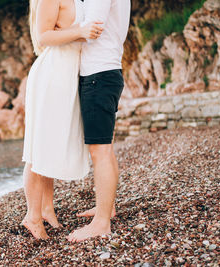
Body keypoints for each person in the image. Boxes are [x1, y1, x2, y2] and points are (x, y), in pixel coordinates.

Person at [21, 0, 104, 239]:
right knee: (39, 149)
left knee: (49, 146)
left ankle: (46, 209)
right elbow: (43, 36)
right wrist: (80, 31)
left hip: (67, 74)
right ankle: (32, 216)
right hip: (53, 75)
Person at [67, 0, 131, 242]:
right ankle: (107, 208)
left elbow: (91, 31)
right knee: (105, 148)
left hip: (98, 75)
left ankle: (102, 222)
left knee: (100, 151)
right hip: (107, 72)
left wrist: (56, 36)